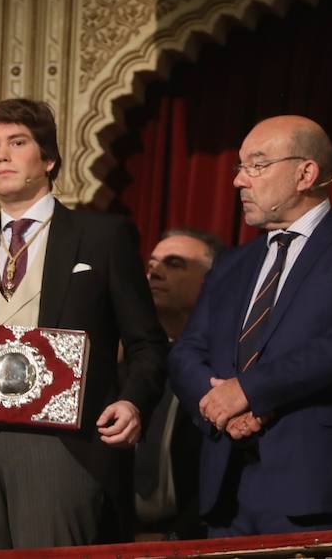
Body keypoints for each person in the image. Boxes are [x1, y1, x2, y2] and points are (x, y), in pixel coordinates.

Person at [0, 98, 168, 550]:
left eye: (17, 143)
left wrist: (133, 403)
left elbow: (147, 344)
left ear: (49, 159)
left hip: (63, 446)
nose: (1, 155)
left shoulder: (102, 237)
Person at [170, 115, 332, 536]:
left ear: (305, 173)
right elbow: (188, 350)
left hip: (321, 486)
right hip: (227, 490)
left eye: (256, 165)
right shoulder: (232, 263)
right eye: (239, 167)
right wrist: (219, 404)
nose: (239, 181)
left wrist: (249, 392)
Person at [135, 229, 220, 540]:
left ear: (212, 281)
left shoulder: (225, 369)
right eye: (152, 264)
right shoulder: (122, 363)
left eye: (174, 263)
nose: (154, 271)